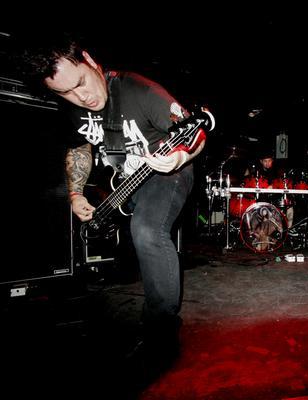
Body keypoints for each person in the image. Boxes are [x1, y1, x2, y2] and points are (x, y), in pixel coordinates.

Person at [18, 34, 206, 373]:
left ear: (90, 61)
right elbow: (79, 148)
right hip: (124, 182)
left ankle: (161, 332)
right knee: (130, 241)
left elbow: (195, 133)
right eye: (66, 93)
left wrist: (179, 157)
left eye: (80, 82)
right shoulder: (71, 108)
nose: (82, 97)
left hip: (167, 172)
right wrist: (76, 194)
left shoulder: (140, 91)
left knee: (147, 230)